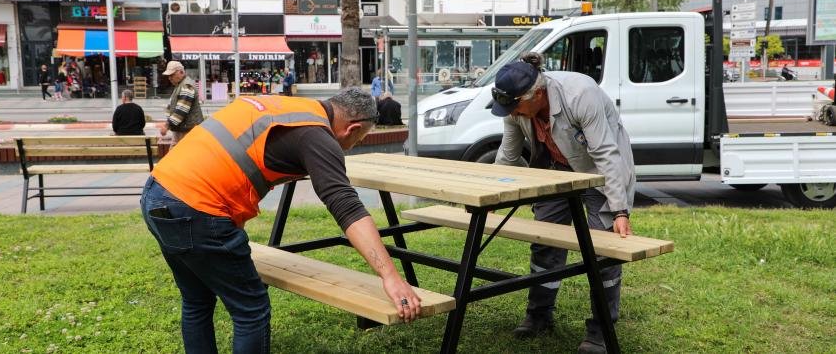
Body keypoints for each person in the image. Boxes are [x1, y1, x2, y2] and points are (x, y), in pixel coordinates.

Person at [140, 88, 422, 353]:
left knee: (196, 300)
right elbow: (347, 206)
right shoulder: (317, 136)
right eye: (356, 141)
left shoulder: (289, 107)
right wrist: (391, 277)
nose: (349, 147)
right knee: (251, 309)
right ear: (354, 128)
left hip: (157, 193)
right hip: (197, 208)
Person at [491, 53, 635, 354]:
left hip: (598, 174)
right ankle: (538, 316)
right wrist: (493, 195)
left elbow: (607, 154)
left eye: (516, 106)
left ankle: (600, 331)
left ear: (537, 94)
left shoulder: (580, 95)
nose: (513, 112)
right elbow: (507, 156)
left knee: (603, 250)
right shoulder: (515, 108)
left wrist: (619, 209)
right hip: (555, 170)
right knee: (544, 242)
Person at [160, 61, 203, 146]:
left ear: (181, 72)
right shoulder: (180, 85)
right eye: (169, 76)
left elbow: (181, 111)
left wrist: (166, 125)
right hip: (183, 130)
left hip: (187, 132)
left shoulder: (187, 86)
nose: (169, 78)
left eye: (172, 75)